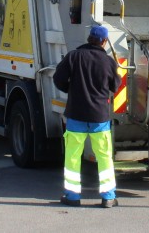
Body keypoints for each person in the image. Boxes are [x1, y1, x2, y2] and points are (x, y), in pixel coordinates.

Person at [53, 25, 121, 207]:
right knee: (104, 157)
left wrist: (71, 90)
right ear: (104, 42)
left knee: (73, 157)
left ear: (89, 38)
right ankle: (108, 198)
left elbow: (58, 78)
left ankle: (72, 197)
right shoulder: (108, 62)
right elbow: (115, 86)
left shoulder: (74, 56)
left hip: (76, 115)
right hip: (99, 118)